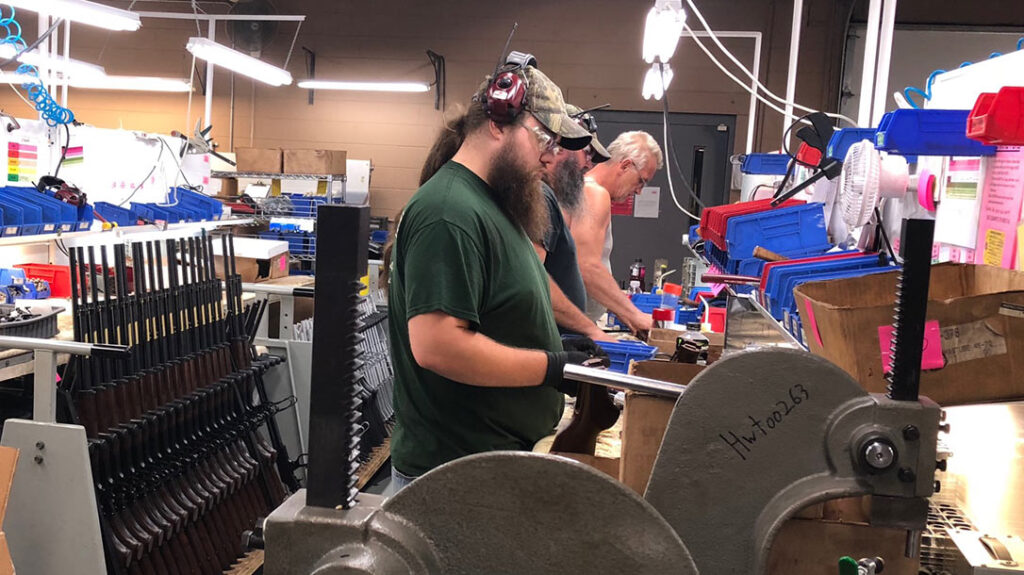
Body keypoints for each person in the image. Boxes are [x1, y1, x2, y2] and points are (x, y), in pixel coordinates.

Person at [387, 62, 605, 491]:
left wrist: (556, 344)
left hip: (489, 467)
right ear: (499, 122)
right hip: (454, 477)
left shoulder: (494, 205)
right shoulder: (448, 211)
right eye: (544, 137)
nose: (550, 155)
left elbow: (494, 310)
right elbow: (438, 346)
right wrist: (551, 367)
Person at [571, 131, 664, 334]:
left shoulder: (587, 190)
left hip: (578, 325)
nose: (640, 191)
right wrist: (635, 315)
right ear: (625, 165)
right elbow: (587, 266)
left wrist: (625, 315)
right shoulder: (595, 194)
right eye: (641, 181)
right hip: (572, 328)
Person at [534, 105, 613, 341]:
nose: (589, 164)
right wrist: (590, 329)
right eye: (586, 153)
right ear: (560, 145)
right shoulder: (539, 197)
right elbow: (533, 280)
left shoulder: (552, 199)